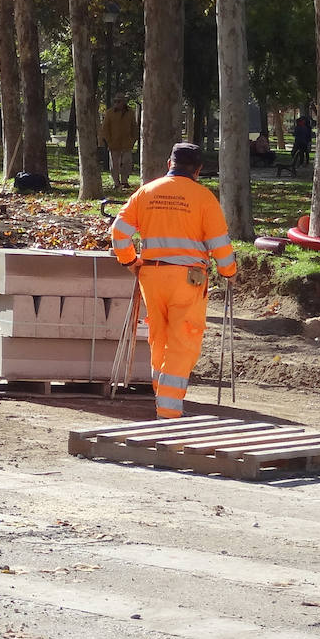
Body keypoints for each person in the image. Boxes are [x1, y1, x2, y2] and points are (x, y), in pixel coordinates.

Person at [109, 142, 237, 420]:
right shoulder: (204, 198)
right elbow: (220, 246)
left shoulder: (146, 192)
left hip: (151, 277)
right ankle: (168, 412)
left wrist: (131, 261)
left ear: (170, 163)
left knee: (160, 339)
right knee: (184, 341)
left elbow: (118, 234)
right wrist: (228, 272)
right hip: (187, 280)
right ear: (198, 170)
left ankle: (162, 400)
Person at [99, 94, 140, 189]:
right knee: (114, 164)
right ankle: (116, 183)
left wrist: (133, 140)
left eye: (119, 101)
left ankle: (125, 181)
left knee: (127, 162)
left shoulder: (130, 113)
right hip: (114, 143)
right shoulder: (109, 113)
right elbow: (105, 129)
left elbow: (134, 127)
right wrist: (109, 141)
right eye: (115, 101)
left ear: (124, 102)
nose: (117, 103)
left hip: (127, 143)